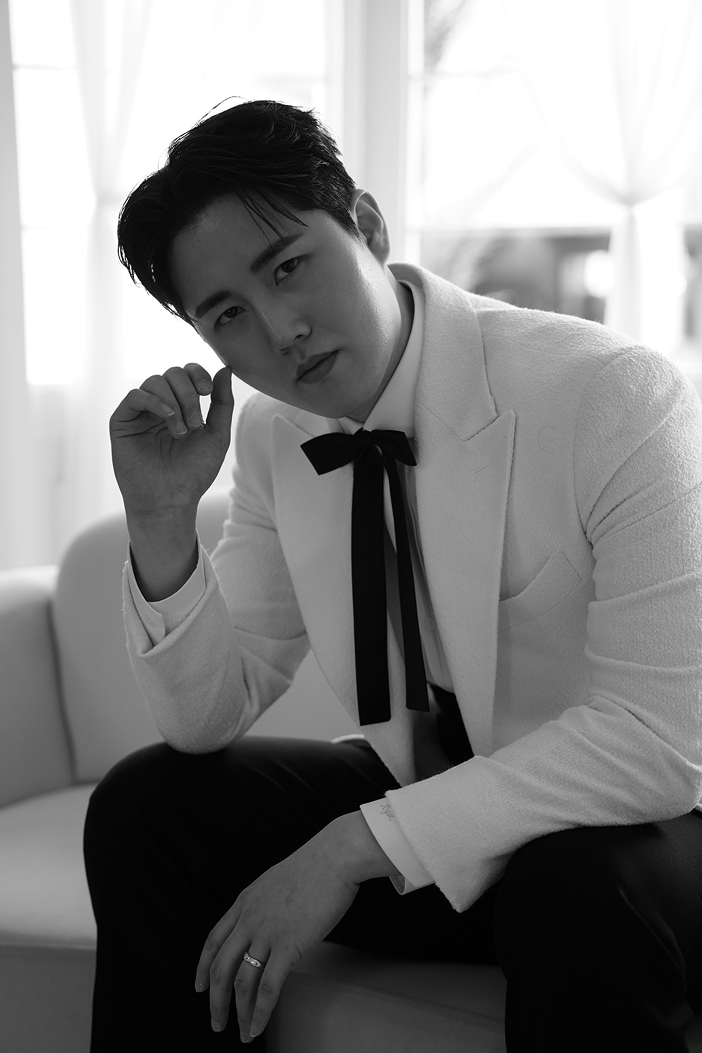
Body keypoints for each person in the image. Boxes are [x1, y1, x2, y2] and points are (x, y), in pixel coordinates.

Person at [84, 98, 702, 1052]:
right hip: (450, 821)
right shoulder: (274, 437)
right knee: (148, 807)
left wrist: (353, 845)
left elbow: (656, 743)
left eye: (289, 266)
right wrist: (160, 517)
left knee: (576, 887)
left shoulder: (609, 394)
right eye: (229, 314)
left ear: (368, 226)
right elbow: (207, 715)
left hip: (644, 834)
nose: (282, 329)